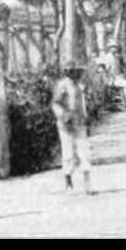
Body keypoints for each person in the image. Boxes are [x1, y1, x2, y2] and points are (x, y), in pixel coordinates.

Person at [51, 65, 94, 195]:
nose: (77, 75)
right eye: (74, 72)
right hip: (67, 124)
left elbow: (83, 104)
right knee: (68, 152)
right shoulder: (62, 85)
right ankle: (68, 182)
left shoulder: (80, 86)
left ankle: (87, 184)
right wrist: (64, 116)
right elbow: (55, 103)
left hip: (80, 122)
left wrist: (87, 117)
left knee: (84, 152)